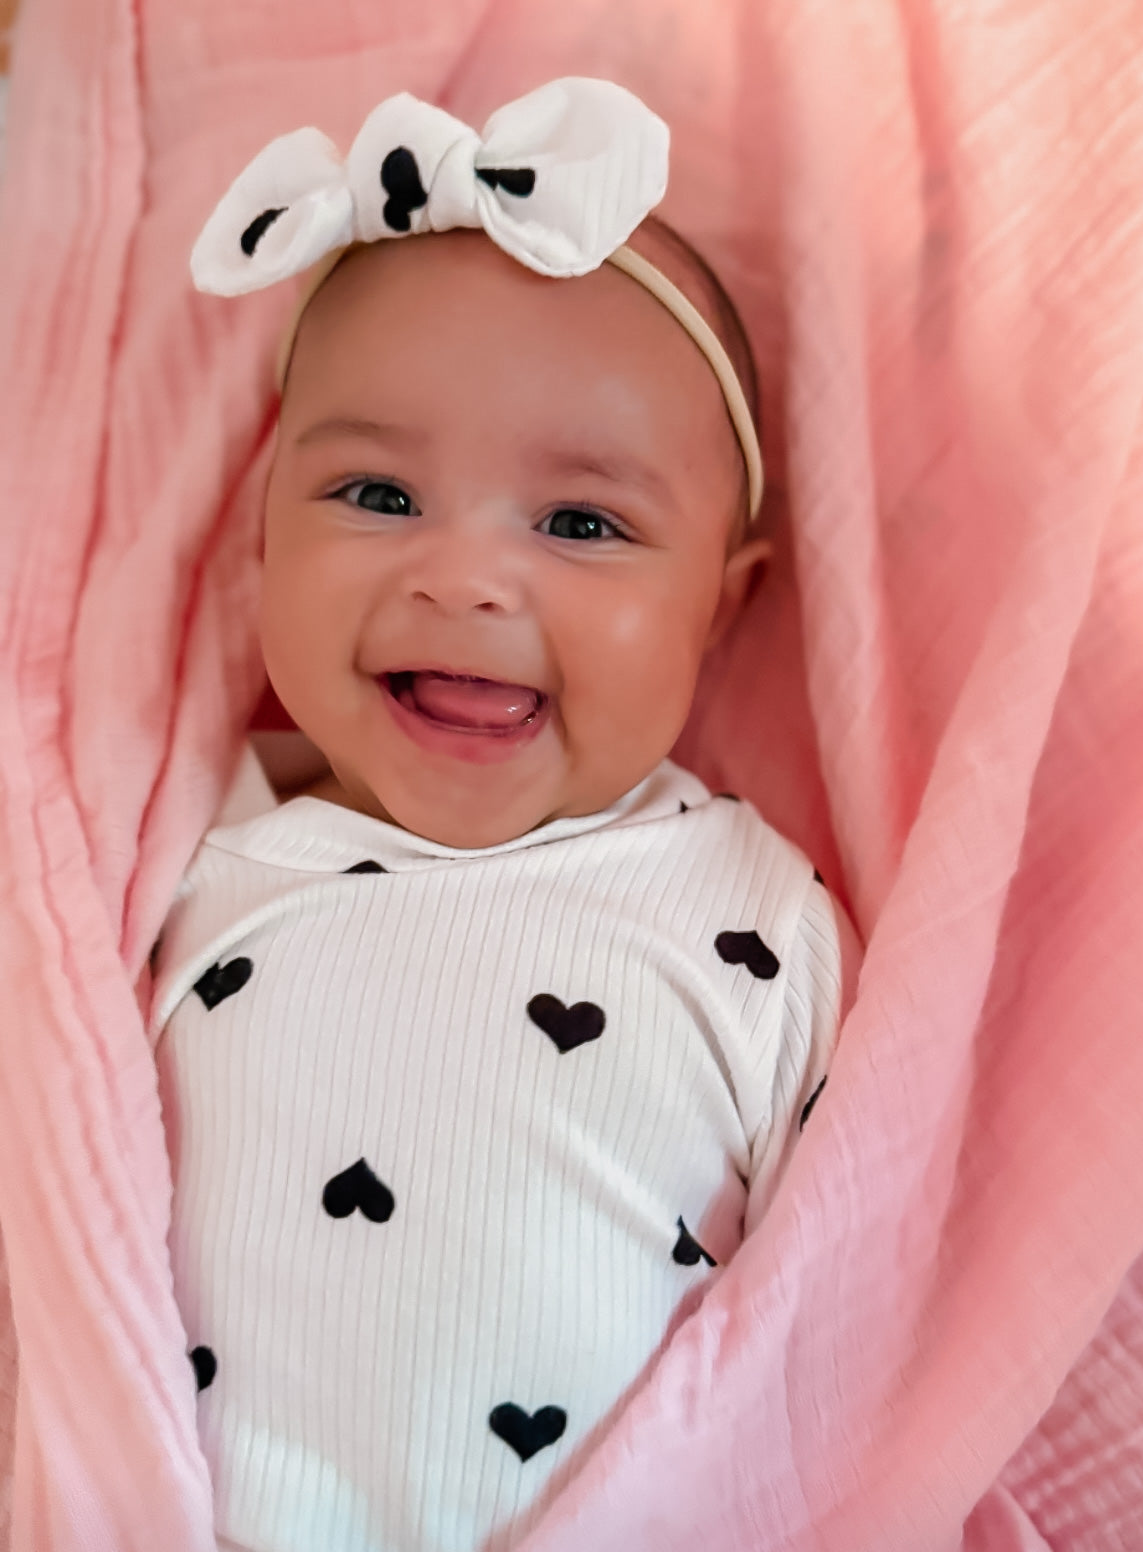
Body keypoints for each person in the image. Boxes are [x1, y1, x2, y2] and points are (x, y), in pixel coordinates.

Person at [152, 77, 855, 1552]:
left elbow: (852, 1316)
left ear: (719, 611)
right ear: (260, 533)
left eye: (582, 524)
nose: (464, 578)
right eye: (375, 494)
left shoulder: (751, 919)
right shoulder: (179, 868)